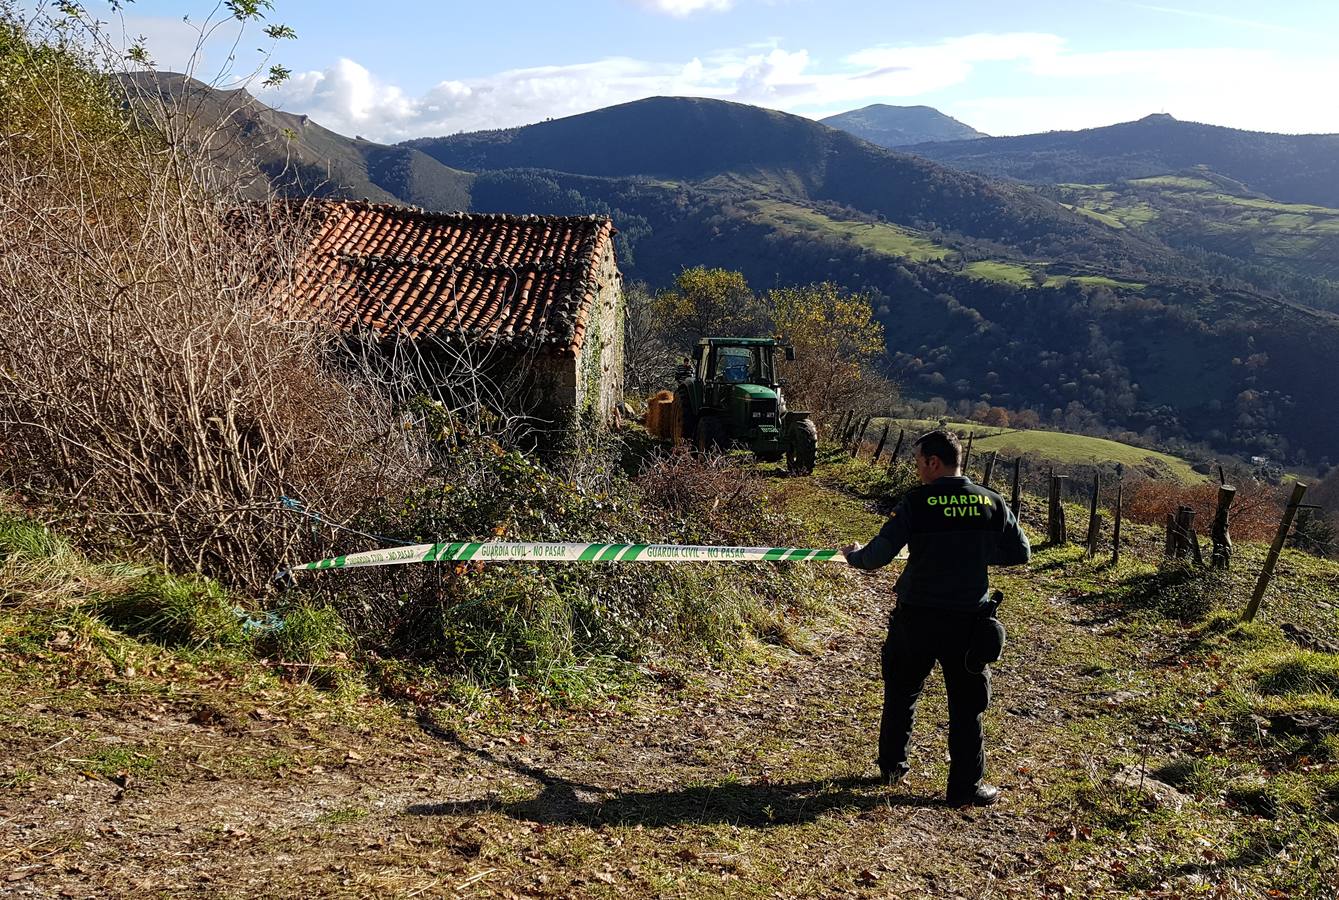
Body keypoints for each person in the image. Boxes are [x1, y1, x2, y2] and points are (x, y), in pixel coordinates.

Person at [841, 429, 1030, 807]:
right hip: (968, 621)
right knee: (967, 705)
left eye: (918, 463)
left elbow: (878, 556)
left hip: (916, 617)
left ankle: (892, 766)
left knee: (902, 691)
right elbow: (1020, 552)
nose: (917, 471)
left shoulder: (916, 502)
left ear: (933, 462)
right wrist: (972, 555)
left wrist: (854, 555)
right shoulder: (991, 501)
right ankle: (965, 788)